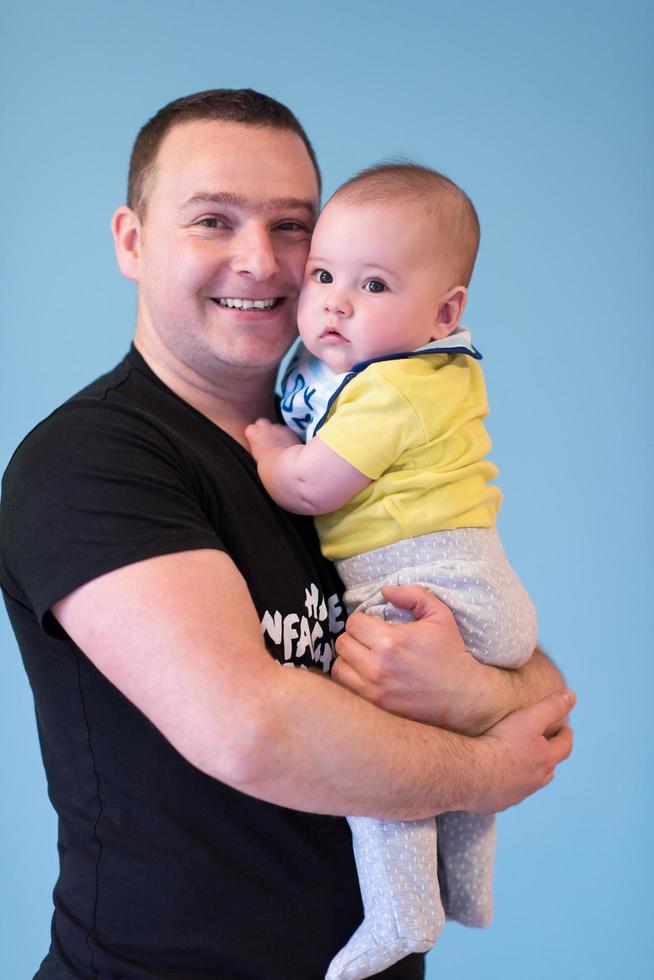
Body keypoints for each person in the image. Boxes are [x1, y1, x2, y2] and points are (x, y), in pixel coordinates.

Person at [0, 89, 573, 980]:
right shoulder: (91, 464)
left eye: (292, 226)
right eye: (212, 221)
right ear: (132, 241)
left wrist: (465, 689)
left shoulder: (341, 447)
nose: (260, 261)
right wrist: (485, 768)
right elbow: (254, 730)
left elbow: (536, 687)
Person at [245, 163, 538, 980]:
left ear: (445, 312)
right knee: (459, 731)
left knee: (381, 750)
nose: (336, 302)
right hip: (485, 589)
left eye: (373, 285)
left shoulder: (394, 390)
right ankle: (469, 886)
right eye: (326, 276)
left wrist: (271, 445)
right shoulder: (434, 367)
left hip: (417, 583)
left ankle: (406, 909)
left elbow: (313, 485)